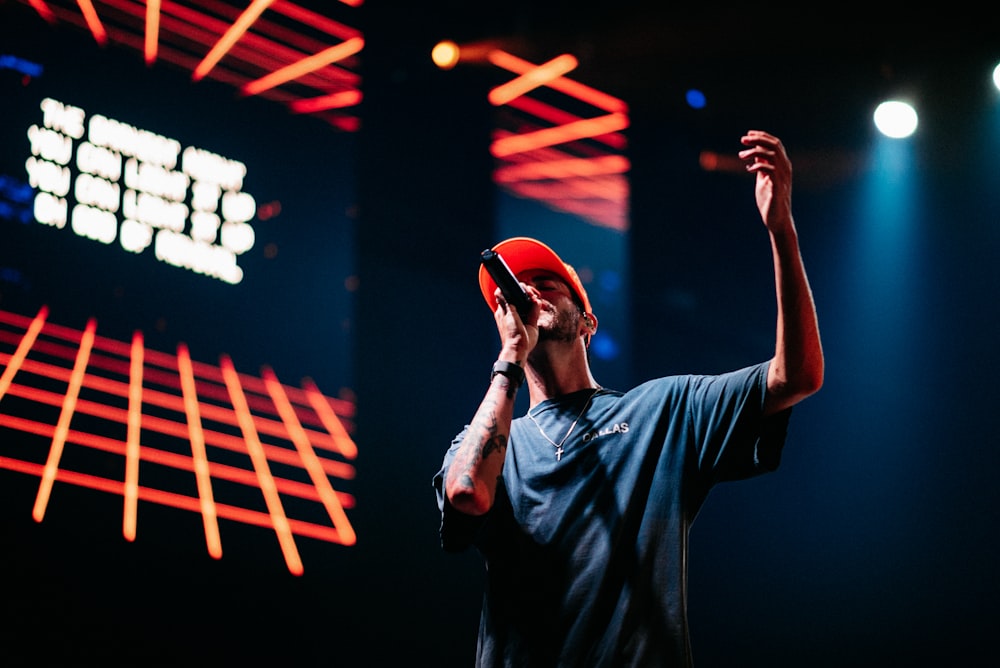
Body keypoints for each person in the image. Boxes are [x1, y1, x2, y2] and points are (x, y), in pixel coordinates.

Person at [432, 130, 824, 667]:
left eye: (546, 282)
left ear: (588, 320)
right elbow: (466, 496)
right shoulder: (498, 442)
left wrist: (782, 231)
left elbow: (797, 376)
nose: (528, 294)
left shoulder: (662, 411)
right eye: (513, 292)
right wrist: (510, 361)